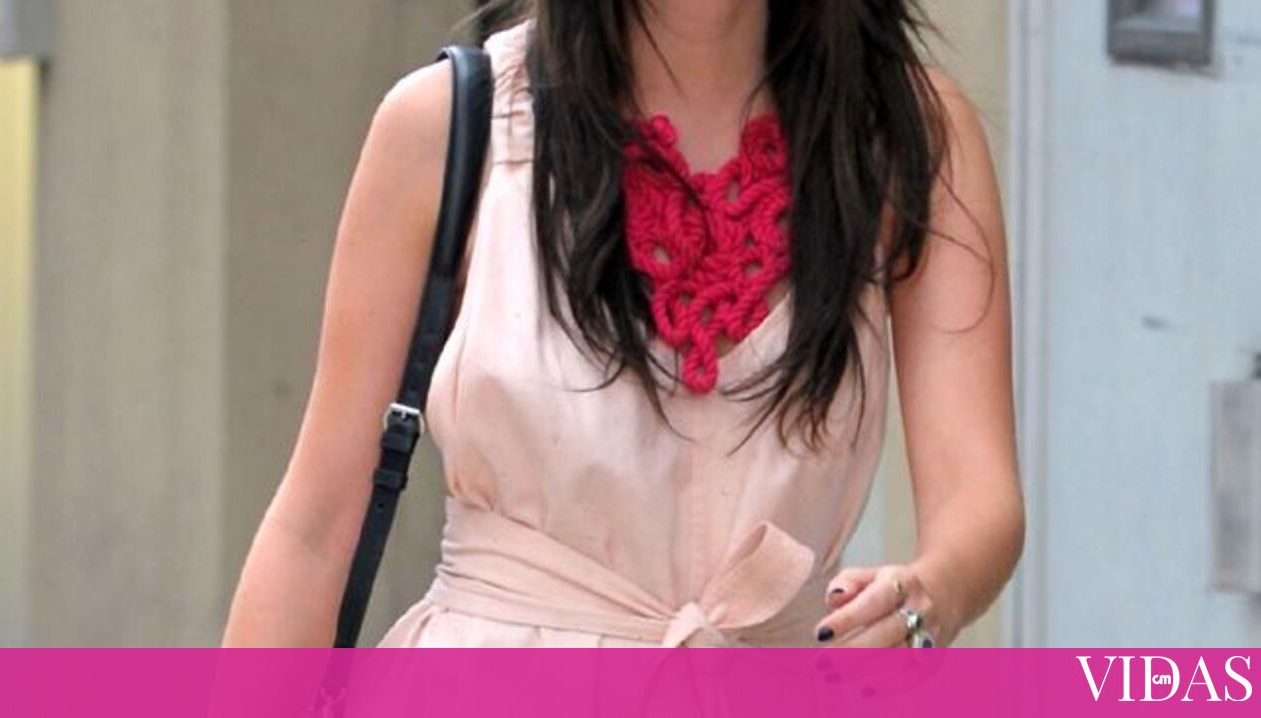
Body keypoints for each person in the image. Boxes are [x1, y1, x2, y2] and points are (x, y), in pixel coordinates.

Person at [222, 0, 1024, 649]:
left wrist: (930, 594)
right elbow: (315, 528)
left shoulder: (907, 137)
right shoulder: (450, 124)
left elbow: (978, 495)